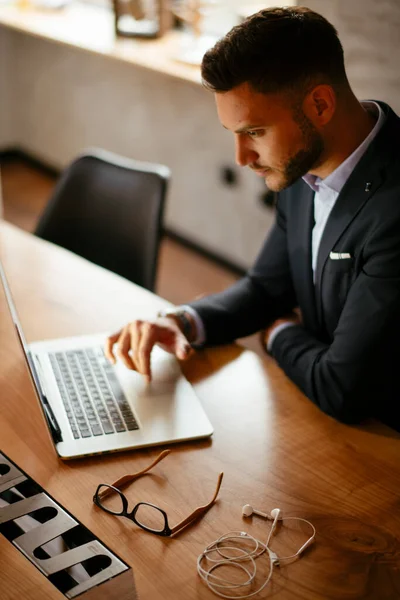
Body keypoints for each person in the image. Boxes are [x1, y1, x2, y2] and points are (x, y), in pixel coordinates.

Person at [105, 6, 400, 429]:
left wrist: (277, 334)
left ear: (320, 104)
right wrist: (180, 321)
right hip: (313, 414)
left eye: (255, 132)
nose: (242, 159)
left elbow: (342, 387)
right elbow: (267, 288)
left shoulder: (393, 212)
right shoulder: (304, 165)